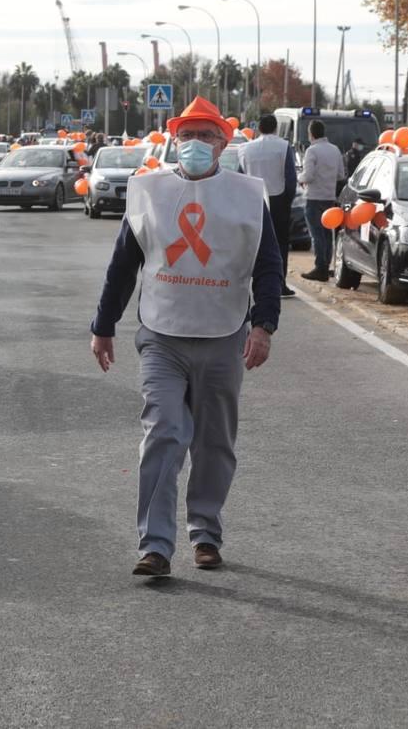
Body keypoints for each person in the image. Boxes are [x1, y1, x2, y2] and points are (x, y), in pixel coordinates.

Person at [89, 96, 282, 577]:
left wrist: (264, 325)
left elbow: (268, 267)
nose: (196, 144)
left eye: (207, 136)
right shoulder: (148, 191)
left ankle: (205, 532)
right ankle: (154, 545)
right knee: (163, 434)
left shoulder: (245, 196)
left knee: (214, 443)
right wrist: (104, 326)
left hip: (224, 335)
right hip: (162, 335)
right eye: (188, 135)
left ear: (224, 143)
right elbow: (123, 265)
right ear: (174, 140)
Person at [238, 114, 298, 298]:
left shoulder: (244, 148)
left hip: (252, 198)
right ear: (275, 128)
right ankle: (280, 283)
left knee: (250, 242)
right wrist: (288, 200)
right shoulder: (284, 146)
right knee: (279, 244)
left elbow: (239, 177)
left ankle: (245, 281)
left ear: (258, 128)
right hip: (278, 198)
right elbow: (290, 176)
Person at [297, 120, 345, 281]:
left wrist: (299, 178)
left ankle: (320, 267)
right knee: (326, 233)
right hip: (329, 197)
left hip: (313, 197)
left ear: (311, 134)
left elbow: (308, 175)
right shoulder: (335, 149)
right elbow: (341, 175)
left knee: (316, 233)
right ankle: (326, 265)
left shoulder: (312, 151)